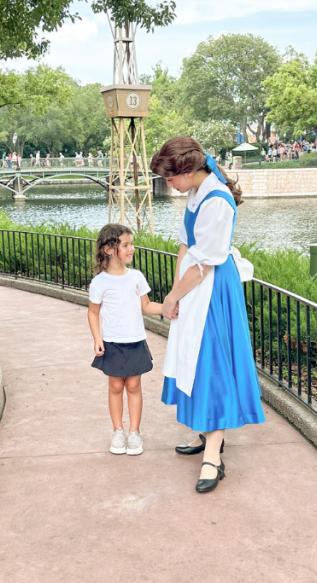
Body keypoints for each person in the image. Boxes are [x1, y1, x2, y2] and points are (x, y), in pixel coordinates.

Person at [149, 136, 265, 493]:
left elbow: (204, 265)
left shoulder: (219, 200)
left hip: (214, 292)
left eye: (171, 178)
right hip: (195, 287)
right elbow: (185, 246)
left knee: (211, 367)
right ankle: (207, 432)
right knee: (194, 361)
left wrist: (173, 296)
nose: (169, 184)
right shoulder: (195, 193)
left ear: (187, 170)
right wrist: (175, 293)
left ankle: (213, 456)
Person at [87, 223, 164, 456]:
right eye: (126, 245)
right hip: (112, 342)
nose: (132, 249)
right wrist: (97, 338)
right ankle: (118, 431)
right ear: (110, 249)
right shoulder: (100, 282)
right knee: (115, 386)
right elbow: (92, 312)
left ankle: (134, 432)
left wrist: (169, 308)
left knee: (133, 385)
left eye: (132, 244)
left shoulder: (136, 277)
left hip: (135, 340)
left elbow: (147, 306)